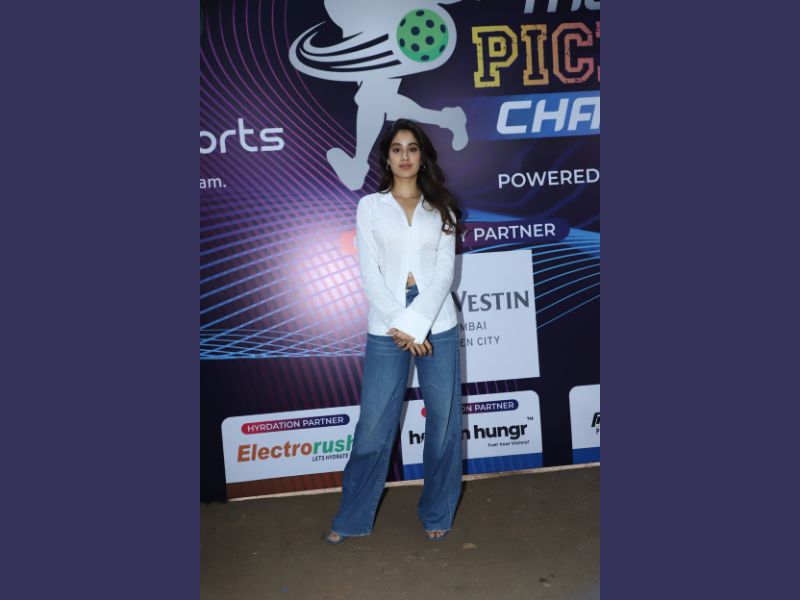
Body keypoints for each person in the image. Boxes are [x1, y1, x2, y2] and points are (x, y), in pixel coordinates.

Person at [324, 119, 463, 543]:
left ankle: (437, 512)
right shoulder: (370, 207)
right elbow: (369, 272)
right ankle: (352, 518)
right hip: (387, 325)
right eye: (397, 148)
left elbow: (444, 274)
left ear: (423, 157)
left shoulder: (442, 208)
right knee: (372, 425)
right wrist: (401, 326)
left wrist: (417, 324)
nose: (405, 156)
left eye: (412, 148)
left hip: (438, 324)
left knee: (443, 424)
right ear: (386, 158)